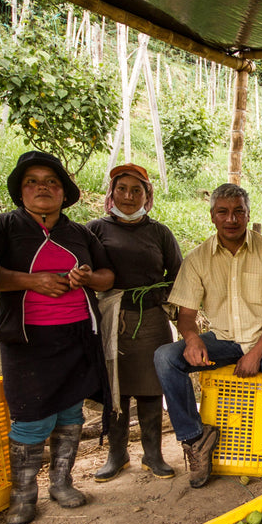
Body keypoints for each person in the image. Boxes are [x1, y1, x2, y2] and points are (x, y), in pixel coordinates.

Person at [154, 183, 262, 488]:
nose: (231, 219)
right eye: (223, 212)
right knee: (165, 357)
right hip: (222, 339)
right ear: (212, 217)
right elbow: (186, 315)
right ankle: (196, 438)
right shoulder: (197, 259)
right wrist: (192, 337)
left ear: (248, 215)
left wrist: (255, 354)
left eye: (238, 212)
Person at [0, 151, 114, 524]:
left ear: (64, 193)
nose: (43, 187)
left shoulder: (79, 233)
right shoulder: (2, 228)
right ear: (20, 191)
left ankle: (61, 483)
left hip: (76, 336)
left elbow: (108, 276)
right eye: (32, 181)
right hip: (27, 341)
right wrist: (30, 281)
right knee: (30, 417)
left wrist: (87, 277)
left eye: (52, 182)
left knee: (70, 411)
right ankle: (23, 496)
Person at [87, 163, 183, 480]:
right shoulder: (94, 230)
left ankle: (153, 456)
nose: (129, 196)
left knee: (151, 387)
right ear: (111, 193)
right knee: (115, 387)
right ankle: (117, 455)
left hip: (152, 319)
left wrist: (158, 297)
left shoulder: (159, 233)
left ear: (147, 195)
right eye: (122, 189)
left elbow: (178, 274)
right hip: (110, 317)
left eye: (137, 190)